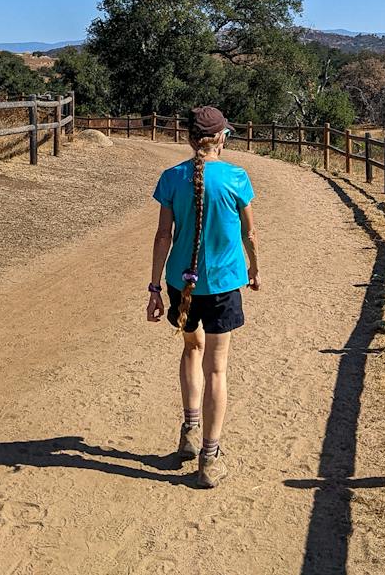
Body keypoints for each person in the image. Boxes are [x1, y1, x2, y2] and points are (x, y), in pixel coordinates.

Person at [146, 105, 259, 489]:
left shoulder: (171, 178)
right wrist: (255, 269)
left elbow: (163, 236)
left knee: (191, 351)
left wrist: (154, 287)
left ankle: (190, 433)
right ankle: (210, 457)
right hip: (224, 284)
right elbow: (249, 234)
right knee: (217, 368)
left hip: (182, 283)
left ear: (189, 138)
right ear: (221, 138)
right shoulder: (236, 178)